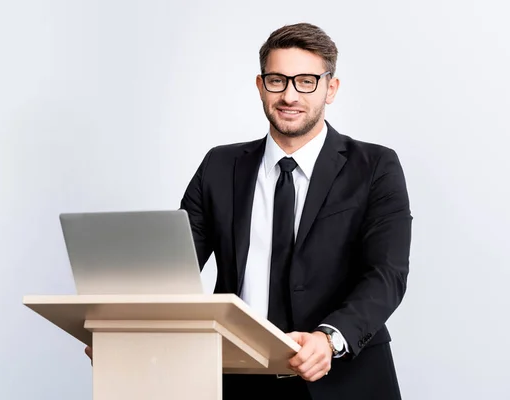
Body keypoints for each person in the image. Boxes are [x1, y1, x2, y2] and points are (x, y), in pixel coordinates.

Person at [86, 22, 412, 400]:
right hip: (236, 378)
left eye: (306, 81)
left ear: (331, 88)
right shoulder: (220, 166)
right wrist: (125, 333)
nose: (290, 95)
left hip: (343, 378)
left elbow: (386, 275)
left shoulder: (374, 166)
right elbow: (172, 270)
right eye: (277, 80)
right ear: (260, 86)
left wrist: (329, 338)